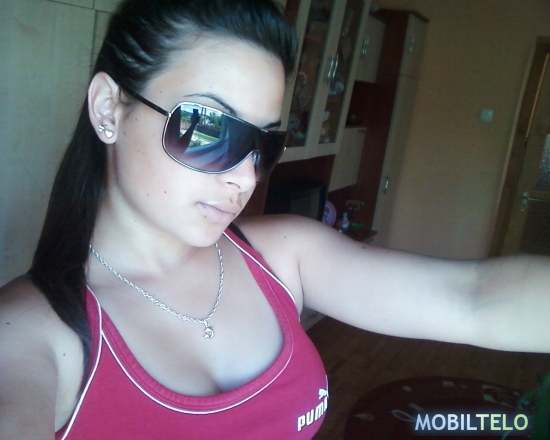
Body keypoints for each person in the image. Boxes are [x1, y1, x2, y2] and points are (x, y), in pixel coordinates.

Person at [0, 0, 549, 438]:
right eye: (209, 128)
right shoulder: (32, 336)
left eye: (264, 143)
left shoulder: (286, 255)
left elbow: (474, 299)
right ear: (108, 108)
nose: (245, 177)